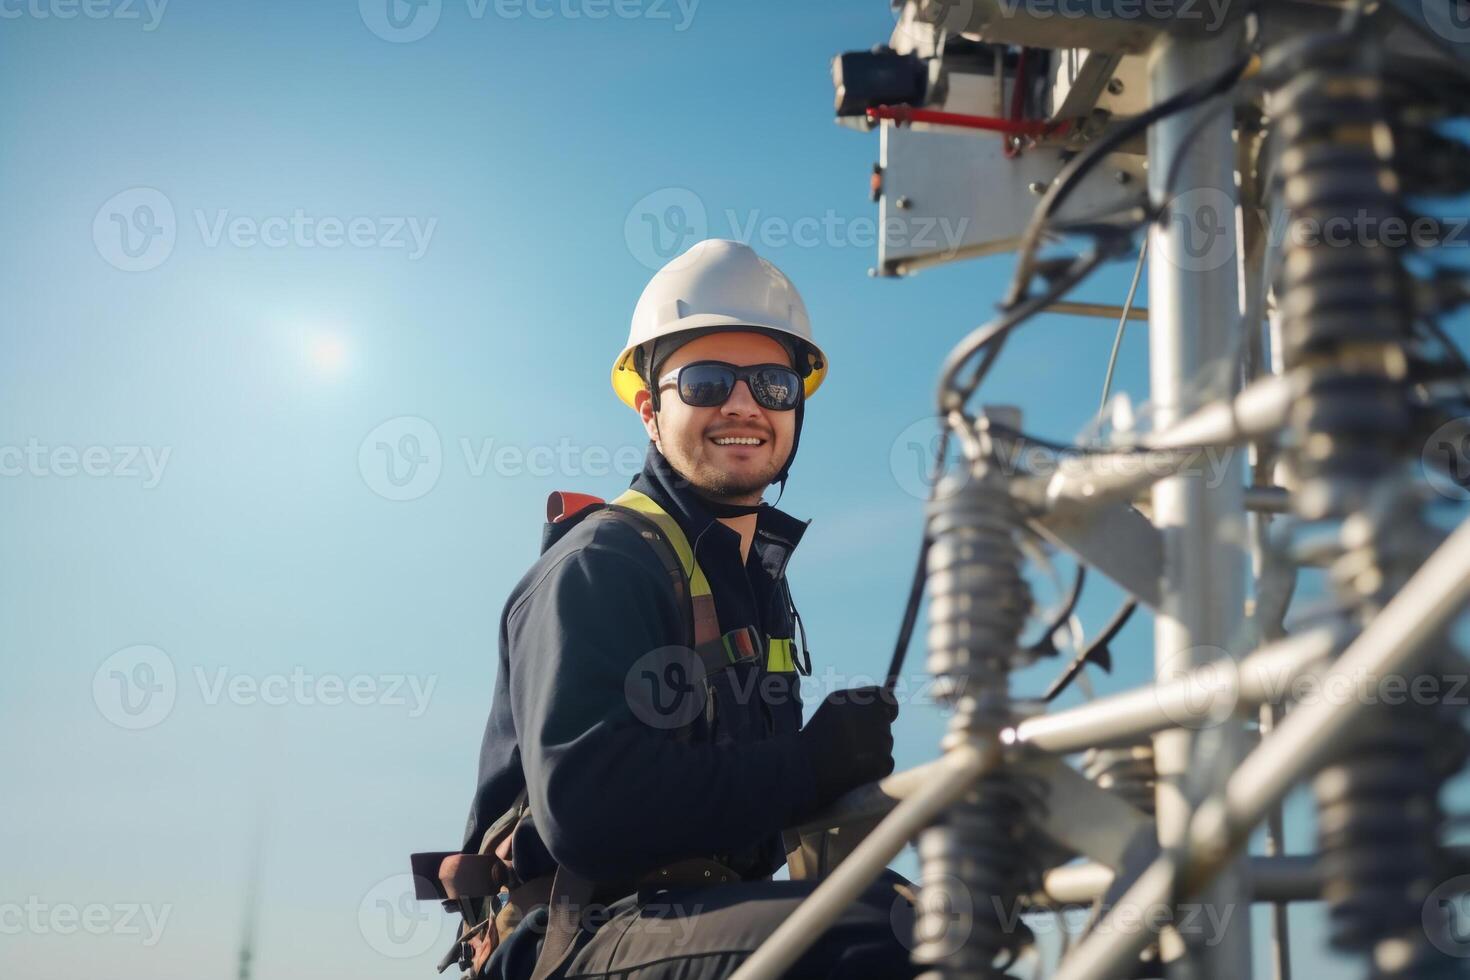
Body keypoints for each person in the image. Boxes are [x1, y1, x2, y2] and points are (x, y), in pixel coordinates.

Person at [463, 239, 914, 979]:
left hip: (698, 919)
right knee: (870, 940)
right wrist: (810, 763)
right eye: (706, 382)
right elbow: (591, 812)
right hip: (573, 936)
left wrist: (842, 777)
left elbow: (744, 815)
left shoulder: (750, 589)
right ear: (649, 409)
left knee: (954, 921)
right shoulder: (604, 566)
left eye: (771, 383)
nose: (743, 404)